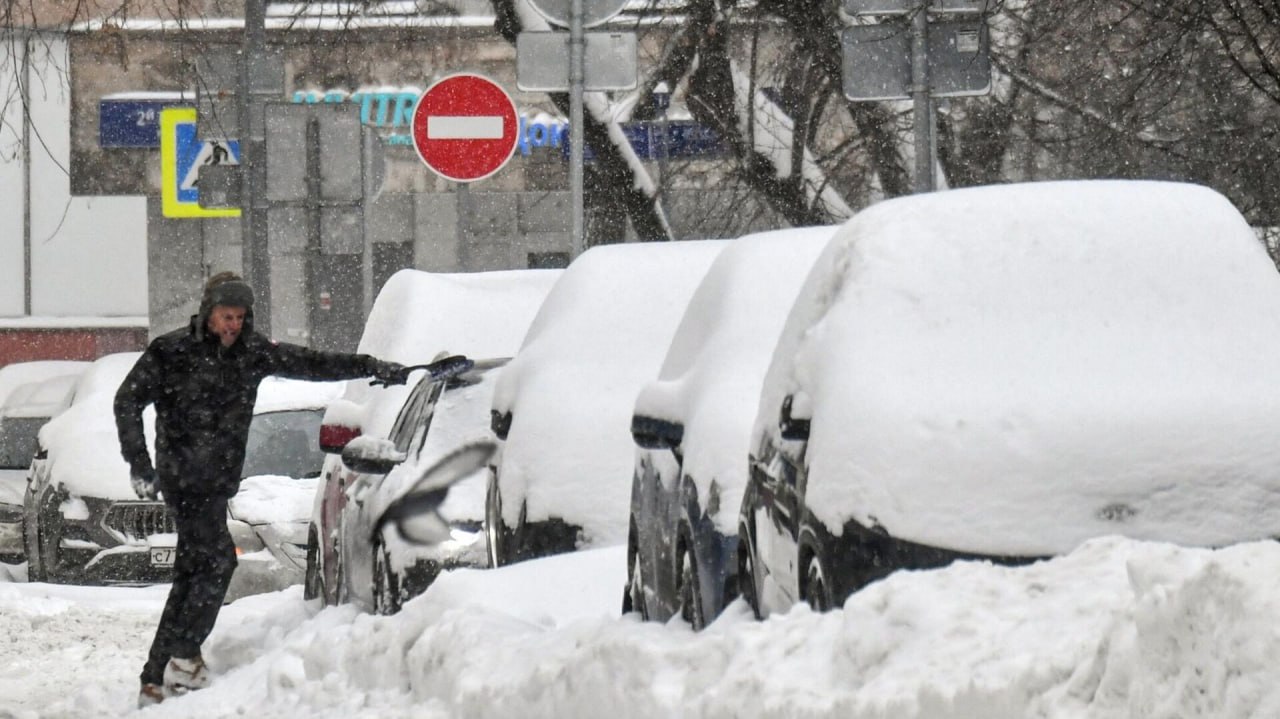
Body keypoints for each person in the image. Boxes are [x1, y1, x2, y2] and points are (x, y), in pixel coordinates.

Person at [114, 272, 408, 707]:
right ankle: (184, 655)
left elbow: (312, 362)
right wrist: (140, 463)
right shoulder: (171, 351)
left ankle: (156, 676)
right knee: (216, 563)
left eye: (239, 316)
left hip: (217, 481)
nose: (232, 324)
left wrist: (371, 367)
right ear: (208, 312)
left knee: (192, 573)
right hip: (182, 477)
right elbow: (127, 400)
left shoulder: (253, 353)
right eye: (224, 316)